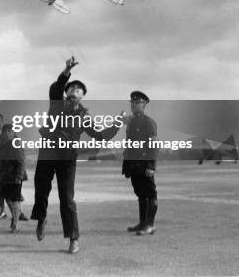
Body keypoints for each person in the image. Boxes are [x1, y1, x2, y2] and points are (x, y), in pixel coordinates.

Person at [31, 57, 121, 254]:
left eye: (79, 89)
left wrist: (116, 124)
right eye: (72, 88)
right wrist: (66, 70)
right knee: (41, 189)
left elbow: (100, 136)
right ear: (67, 92)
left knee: (67, 198)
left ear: (82, 97)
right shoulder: (56, 104)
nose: (75, 90)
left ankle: (73, 238)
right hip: (48, 152)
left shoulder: (84, 117)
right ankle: (41, 218)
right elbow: (55, 89)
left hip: (67, 158)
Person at [121, 91, 158, 236]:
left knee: (150, 194)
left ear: (144, 104)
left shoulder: (148, 122)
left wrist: (151, 166)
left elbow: (154, 145)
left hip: (144, 165)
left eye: (137, 103)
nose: (134, 105)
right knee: (141, 194)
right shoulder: (132, 122)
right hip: (134, 165)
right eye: (132, 102)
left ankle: (150, 225)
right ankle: (142, 223)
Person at [0, 114, 30, 222]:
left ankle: (19, 213)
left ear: (2, 121)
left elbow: (20, 154)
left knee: (14, 193)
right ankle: (2, 212)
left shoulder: (10, 134)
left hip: (10, 170)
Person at [0, 123, 27, 233]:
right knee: (8, 199)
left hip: (15, 177)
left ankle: (15, 225)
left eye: (9, 131)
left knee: (15, 200)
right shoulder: (3, 144)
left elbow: (21, 161)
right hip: (5, 177)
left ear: (12, 132)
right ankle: (15, 219)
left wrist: (18, 177)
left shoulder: (17, 142)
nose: (6, 133)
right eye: (4, 131)